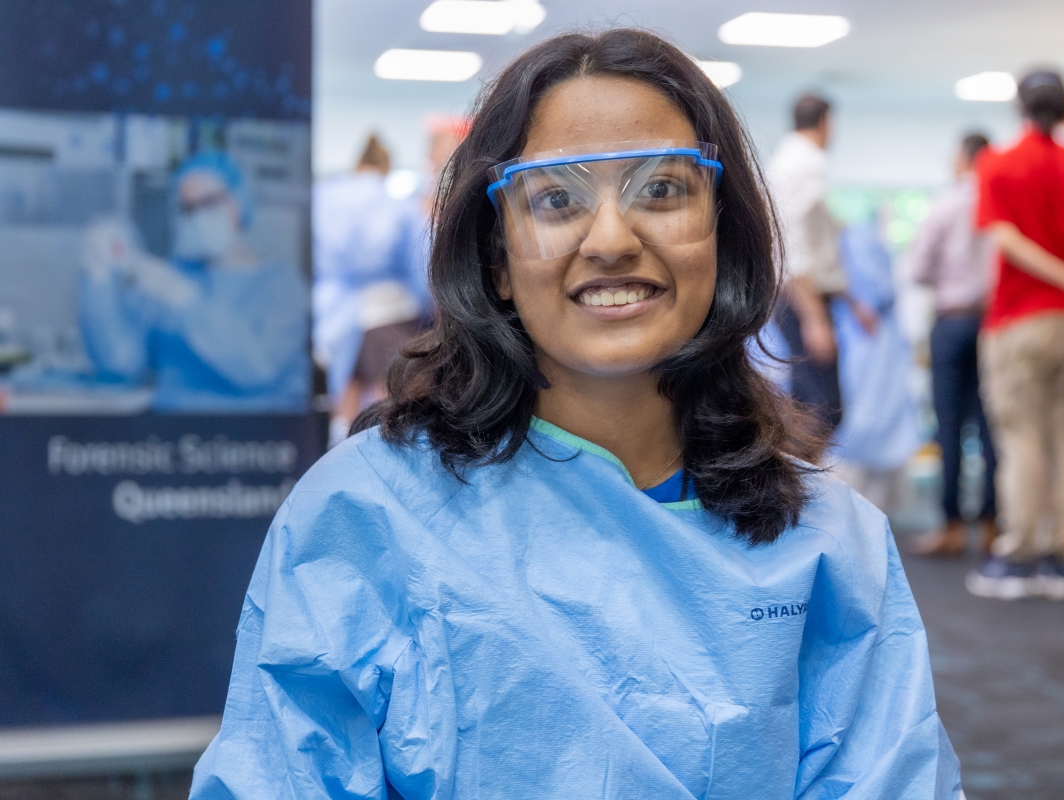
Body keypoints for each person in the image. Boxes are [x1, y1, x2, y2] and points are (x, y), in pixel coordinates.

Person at [191, 29, 961, 799]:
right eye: (557, 199)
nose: (612, 240)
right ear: (495, 260)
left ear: (723, 236)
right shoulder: (364, 515)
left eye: (660, 190)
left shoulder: (829, 539)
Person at [966, 71, 1064, 601]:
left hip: (1017, 321)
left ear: (1020, 106)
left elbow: (1004, 238)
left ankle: (1022, 553)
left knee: (1021, 435)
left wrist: (1060, 277)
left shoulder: (998, 163)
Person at [78, 152, 309, 412]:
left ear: (240, 200)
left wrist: (187, 301)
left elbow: (258, 369)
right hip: (167, 441)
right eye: (187, 208)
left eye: (209, 203)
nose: (197, 216)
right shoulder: (175, 276)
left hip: (253, 445)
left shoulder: (280, 283)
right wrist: (98, 280)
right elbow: (121, 363)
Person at [906, 133, 999, 557]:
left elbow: (918, 268)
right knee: (991, 426)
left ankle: (952, 526)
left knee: (948, 426)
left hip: (952, 320)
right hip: (993, 324)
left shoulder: (945, 206)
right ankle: (995, 525)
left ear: (964, 159)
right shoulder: (1001, 206)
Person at [312, 135, 431, 445]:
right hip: (387, 314)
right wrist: (428, 312)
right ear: (384, 167)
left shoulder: (323, 196)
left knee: (345, 393)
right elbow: (419, 265)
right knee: (388, 396)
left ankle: (337, 451)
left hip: (334, 315)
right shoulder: (396, 205)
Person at [768, 93, 853, 437]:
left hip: (796, 296)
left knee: (807, 402)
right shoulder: (805, 164)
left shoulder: (784, 162)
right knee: (822, 409)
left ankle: (801, 485)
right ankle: (803, 487)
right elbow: (793, 247)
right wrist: (814, 318)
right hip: (802, 297)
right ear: (825, 122)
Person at [829, 217, 922, 514]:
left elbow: (880, 290)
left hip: (873, 347)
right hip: (870, 348)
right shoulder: (857, 242)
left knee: (871, 424)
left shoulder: (856, 241)